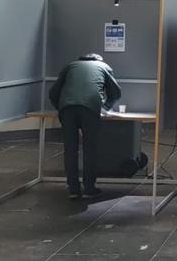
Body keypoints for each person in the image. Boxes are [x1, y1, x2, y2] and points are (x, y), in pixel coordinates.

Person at [48, 53, 122, 200]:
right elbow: (115, 93)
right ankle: (89, 188)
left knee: (70, 149)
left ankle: (73, 189)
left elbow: (53, 92)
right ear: (98, 60)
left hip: (67, 109)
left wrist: (61, 108)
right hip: (90, 108)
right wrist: (105, 108)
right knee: (90, 149)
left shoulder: (70, 66)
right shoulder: (103, 66)